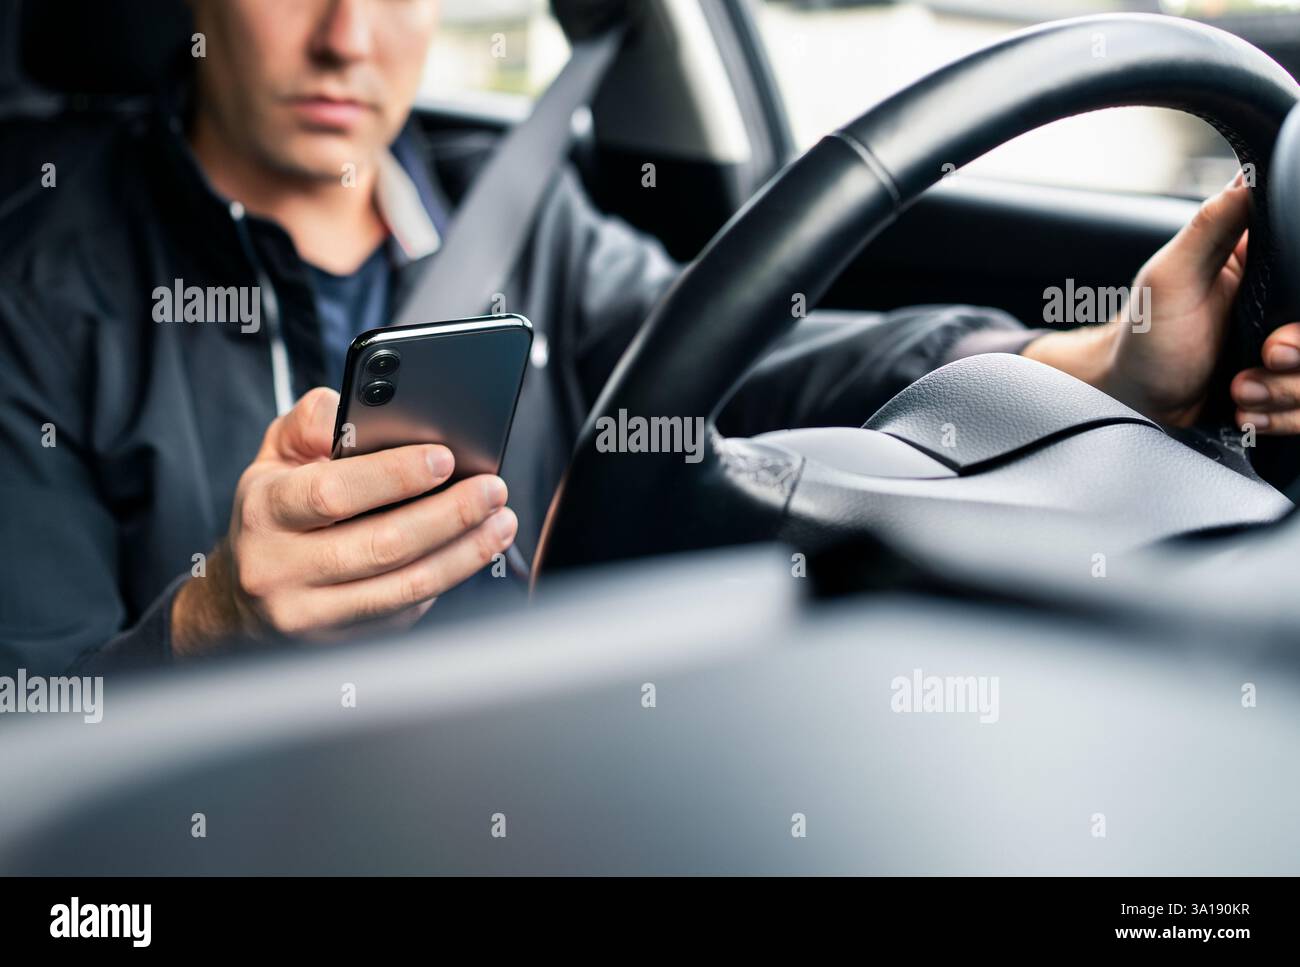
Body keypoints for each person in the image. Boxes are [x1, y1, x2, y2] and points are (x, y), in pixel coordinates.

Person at [1, 0, 1297, 676]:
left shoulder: (523, 220)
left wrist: (1112, 361)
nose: (350, 32)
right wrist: (217, 620)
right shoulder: (39, 296)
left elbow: (769, 352)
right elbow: (37, 745)